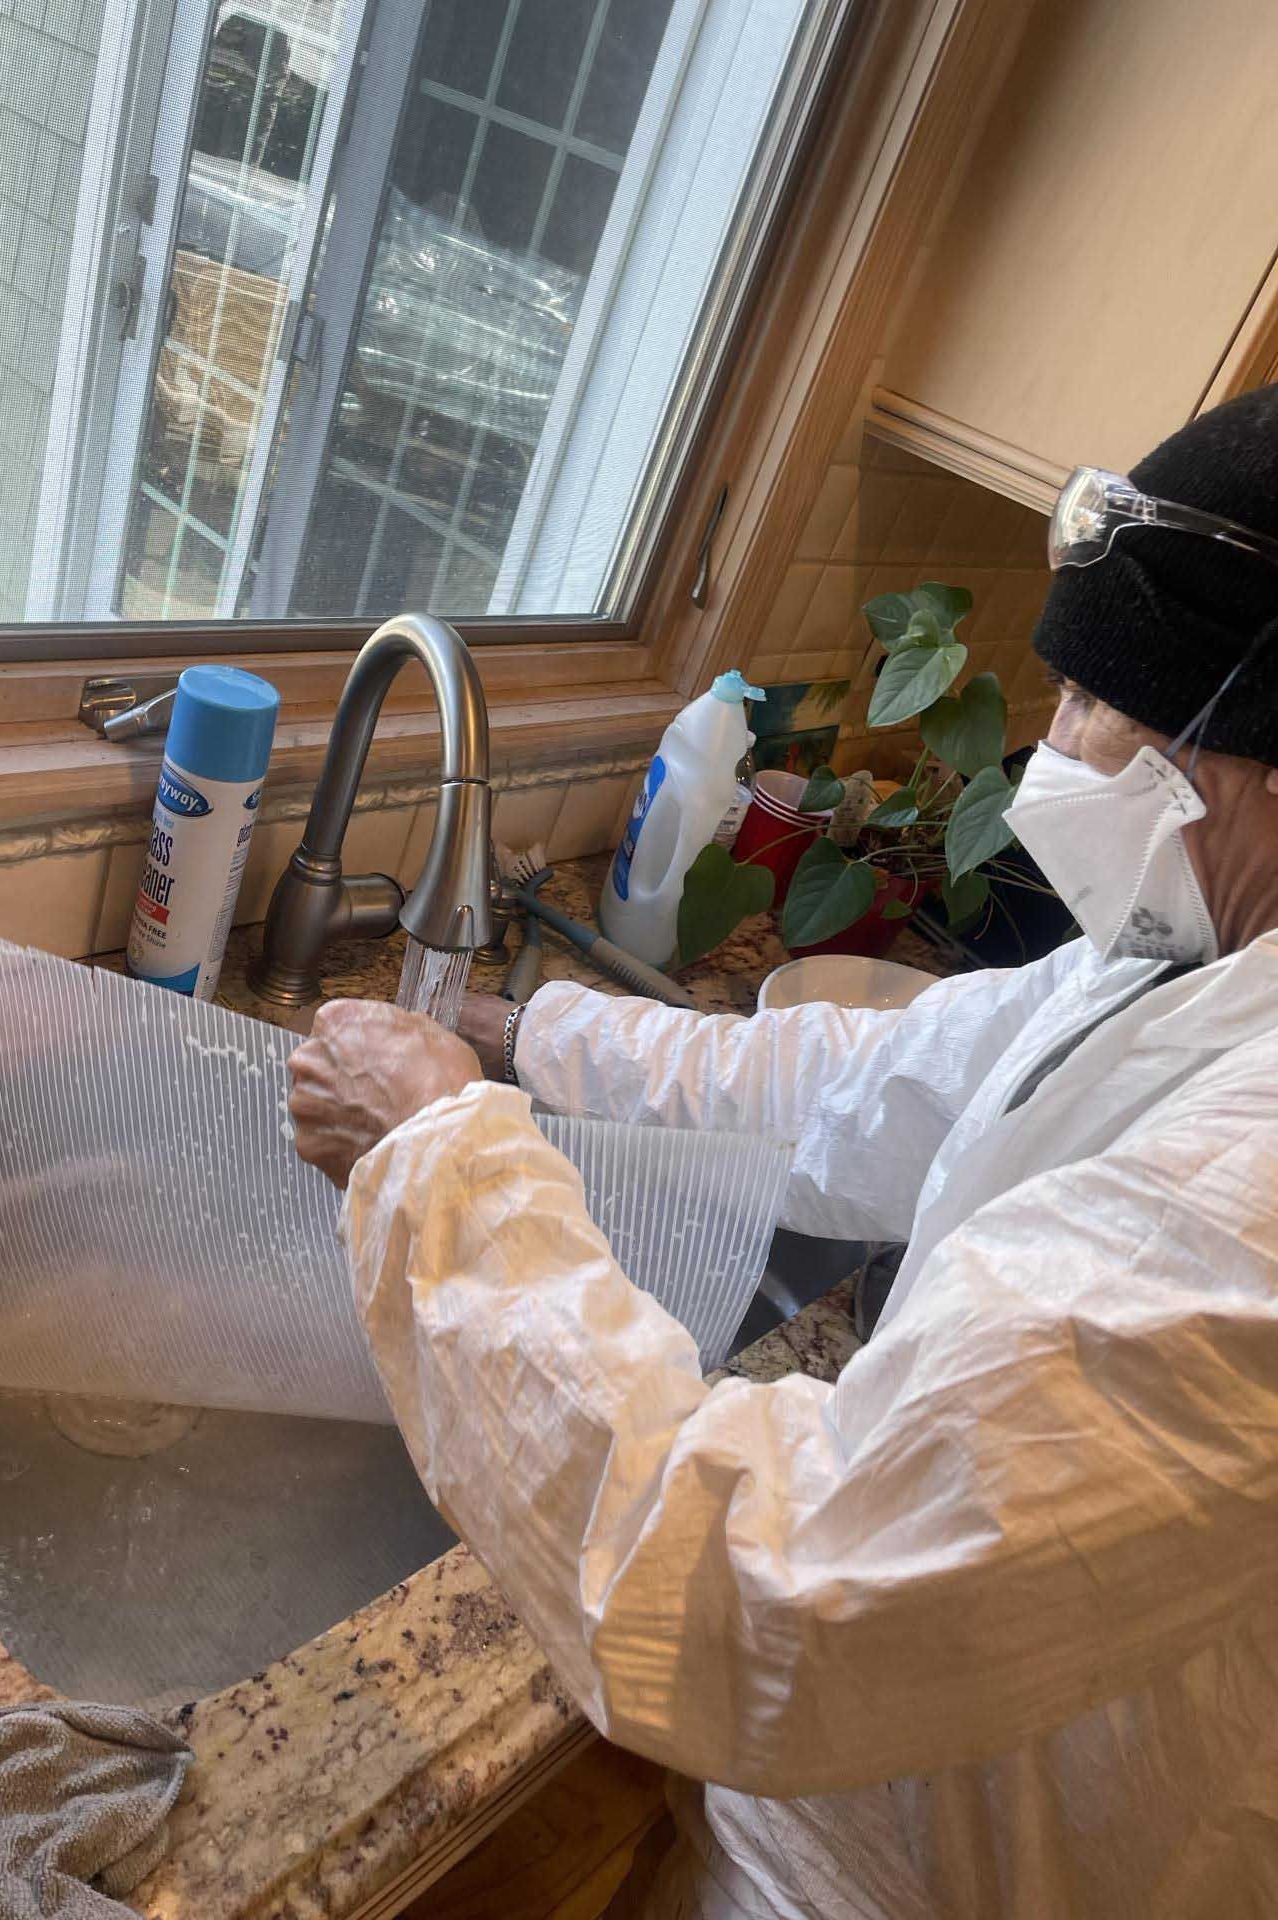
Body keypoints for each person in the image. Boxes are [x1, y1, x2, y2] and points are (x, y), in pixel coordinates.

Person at [287, 386, 1278, 1919]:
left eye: (1102, 713)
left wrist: (436, 1160)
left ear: (1257, 766)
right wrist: (526, 1037)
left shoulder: (1248, 1204)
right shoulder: (1193, 953)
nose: (1057, 751)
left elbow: (766, 1596)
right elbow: (860, 1078)